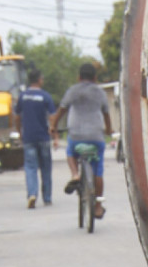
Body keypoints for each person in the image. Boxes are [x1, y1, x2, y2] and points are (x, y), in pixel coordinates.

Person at [56, 63, 113, 219]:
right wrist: (109, 130)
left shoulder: (73, 91)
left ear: (79, 77)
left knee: (70, 151)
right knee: (98, 170)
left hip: (76, 136)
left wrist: (53, 126)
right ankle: (98, 207)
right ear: (95, 78)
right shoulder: (100, 93)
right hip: (96, 137)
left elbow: (61, 110)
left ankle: (75, 175)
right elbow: (107, 115)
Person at [13, 69, 57, 209]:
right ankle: (47, 198)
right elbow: (52, 117)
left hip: (29, 137)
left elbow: (17, 116)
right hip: (43, 137)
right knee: (46, 168)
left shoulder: (22, 97)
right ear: (39, 80)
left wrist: (19, 131)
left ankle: (32, 194)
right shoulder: (45, 96)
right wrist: (55, 135)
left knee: (30, 167)